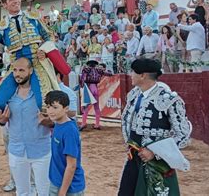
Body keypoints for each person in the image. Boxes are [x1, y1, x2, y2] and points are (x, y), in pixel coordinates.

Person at [0, 0, 70, 113]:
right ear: (5, 4)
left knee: (44, 104)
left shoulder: (33, 17)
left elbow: (49, 35)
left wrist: (45, 50)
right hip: (17, 67)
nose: (16, 1)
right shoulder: (1, 26)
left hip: (37, 63)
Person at [118, 58, 191, 195]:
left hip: (157, 162)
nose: (130, 75)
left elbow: (182, 134)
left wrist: (155, 153)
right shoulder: (134, 95)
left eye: (133, 72)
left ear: (142, 75)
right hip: (134, 156)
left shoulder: (168, 99)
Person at [0, 58, 52, 196]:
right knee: (22, 192)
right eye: (15, 70)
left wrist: (49, 123)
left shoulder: (42, 95)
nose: (17, 74)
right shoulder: (8, 96)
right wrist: (2, 121)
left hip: (41, 151)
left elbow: (57, 120)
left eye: (21, 70)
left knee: (44, 192)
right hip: (17, 151)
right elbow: (3, 121)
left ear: (31, 71)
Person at [45, 91, 85, 196]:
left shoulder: (69, 131)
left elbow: (71, 165)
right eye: (48, 107)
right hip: (57, 182)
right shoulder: (58, 123)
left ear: (66, 109)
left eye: (55, 107)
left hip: (70, 188)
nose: (50, 111)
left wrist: (62, 192)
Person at [79, 60, 112, 131]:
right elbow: (109, 74)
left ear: (88, 65)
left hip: (88, 89)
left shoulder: (86, 69)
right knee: (96, 108)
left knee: (85, 107)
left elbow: (82, 79)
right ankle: (97, 124)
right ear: (95, 65)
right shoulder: (99, 70)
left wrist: (81, 86)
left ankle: (83, 123)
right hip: (95, 89)